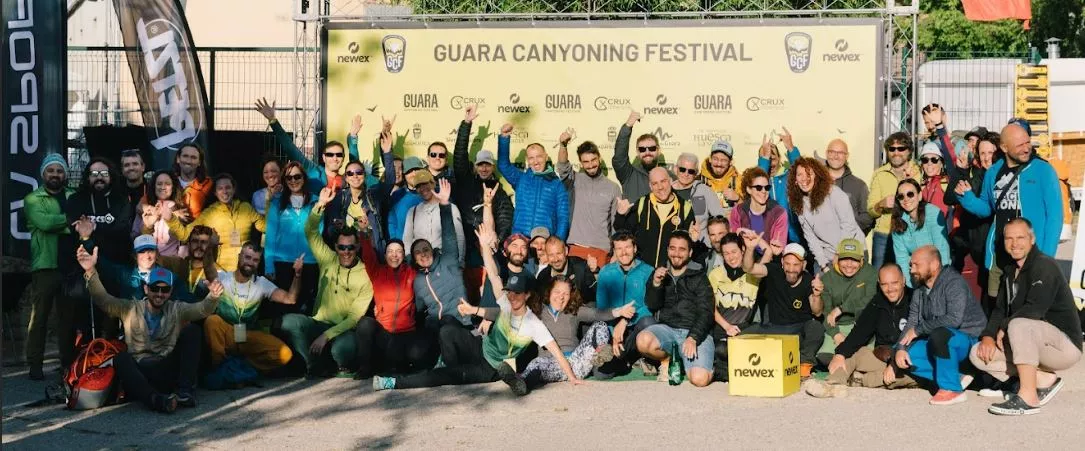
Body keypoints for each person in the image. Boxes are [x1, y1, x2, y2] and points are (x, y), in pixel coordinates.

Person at [373, 224, 583, 395]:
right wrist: (484, 247)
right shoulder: (506, 303)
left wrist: (572, 377)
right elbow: (492, 274)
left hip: (490, 368)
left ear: (527, 295)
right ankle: (447, 363)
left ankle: (392, 383)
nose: (513, 296)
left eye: (518, 293)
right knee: (448, 329)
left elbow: (555, 350)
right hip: (479, 347)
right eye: (510, 292)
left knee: (443, 377)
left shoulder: (534, 325)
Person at [77, 247, 222, 413]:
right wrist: (90, 271)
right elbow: (103, 300)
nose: (159, 294)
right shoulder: (130, 307)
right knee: (121, 358)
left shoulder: (177, 308)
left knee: (192, 332)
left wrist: (213, 297)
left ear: (171, 292)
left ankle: (185, 391)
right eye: (155, 288)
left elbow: (202, 309)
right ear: (146, 289)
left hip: (166, 367)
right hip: (141, 371)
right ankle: (154, 400)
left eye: (165, 290)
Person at [969, 219, 1083, 415]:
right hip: (1031, 343)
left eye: (1021, 237)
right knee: (978, 354)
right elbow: (999, 310)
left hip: (1063, 346)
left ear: (1032, 239)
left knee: (1019, 324)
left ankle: (1028, 397)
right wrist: (988, 335)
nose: (1015, 243)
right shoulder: (1009, 272)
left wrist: (1004, 327)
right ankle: (1045, 380)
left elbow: (1035, 309)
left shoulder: (1045, 266)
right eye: (1009, 238)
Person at [956, 122, 1063, 302]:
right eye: (1019, 145)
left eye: (1027, 142)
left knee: (1026, 307)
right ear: (1004, 147)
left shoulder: (1043, 170)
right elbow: (986, 208)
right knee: (996, 305)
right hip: (999, 254)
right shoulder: (993, 173)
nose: (1026, 148)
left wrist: (1046, 258)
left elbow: (1055, 217)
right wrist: (966, 198)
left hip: (1031, 255)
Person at [280, 186, 374, 378]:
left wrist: (327, 336)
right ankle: (312, 364)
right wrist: (320, 205)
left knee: (342, 350)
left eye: (350, 247)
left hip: (343, 329)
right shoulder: (328, 259)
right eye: (342, 247)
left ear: (357, 247)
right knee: (289, 322)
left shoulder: (365, 274)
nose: (346, 252)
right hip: (318, 322)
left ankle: (336, 363)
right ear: (336, 247)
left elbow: (354, 318)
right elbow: (310, 231)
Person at [804, 263, 916, 398]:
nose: (890, 289)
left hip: (908, 360)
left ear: (903, 280)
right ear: (879, 284)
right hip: (883, 356)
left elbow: (919, 340)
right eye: (884, 284)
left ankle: (861, 380)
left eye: (894, 283)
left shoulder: (915, 299)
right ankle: (833, 384)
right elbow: (860, 331)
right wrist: (840, 354)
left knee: (914, 377)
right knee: (853, 353)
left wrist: (894, 364)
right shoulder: (878, 301)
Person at [895, 246, 987, 405]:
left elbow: (954, 319)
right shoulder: (920, 290)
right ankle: (957, 377)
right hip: (940, 343)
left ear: (935, 264)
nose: (911, 270)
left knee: (941, 334)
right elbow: (912, 322)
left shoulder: (954, 282)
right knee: (903, 351)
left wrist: (918, 330)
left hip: (967, 342)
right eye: (911, 265)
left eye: (917, 265)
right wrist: (900, 349)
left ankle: (952, 390)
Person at [23, 154, 79, 380]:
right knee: (40, 318)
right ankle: (35, 364)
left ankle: (67, 363)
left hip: (71, 267)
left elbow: (80, 224)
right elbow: (44, 223)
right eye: (51, 171)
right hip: (46, 265)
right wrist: (70, 221)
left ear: (65, 174)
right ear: (43, 174)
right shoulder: (32, 199)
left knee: (68, 318)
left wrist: (68, 223)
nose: (55, 174)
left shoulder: (73, 195)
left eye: (59, 170)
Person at [522, 276, 635, 386]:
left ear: (570, 296)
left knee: (600, 325)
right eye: (557, 292)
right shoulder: (538, 312)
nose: (561, 297)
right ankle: (521, 383)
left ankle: (601, 353)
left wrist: (619, 311)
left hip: (577, 362)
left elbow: (597, 314)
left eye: (565, 294)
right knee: (535, 364)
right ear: (549, 292)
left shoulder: (574, 311)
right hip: (550, 363)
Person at [205, 243, 300, 373]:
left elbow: (290, 299)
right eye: (247, 257)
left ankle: (243, 366)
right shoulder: (223, 277)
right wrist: (211, 247)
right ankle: (220, 369)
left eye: (255, 260)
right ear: (239, 257)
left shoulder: (261, 283)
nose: (250, 262)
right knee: (212, 321)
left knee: (285, 354)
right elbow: (208, 269)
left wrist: (297, 275)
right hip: (225, 332)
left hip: (247, 335)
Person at [636, 232, 714, 387]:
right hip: (668, 330)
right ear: (667, 250)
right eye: (673, 248)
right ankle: (668, 359)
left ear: (690, 252)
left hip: (695, 334)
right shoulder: (659, 274)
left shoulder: (699, 276)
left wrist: (693, 337)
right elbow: (652, 304)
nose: (676, 254)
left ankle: (701, 364)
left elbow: (706, 311)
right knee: (643, 341)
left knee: (699, 380)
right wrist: (656, 284)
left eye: (682, 249)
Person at [453, 105, 514, 301]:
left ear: (492, 166)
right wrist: (466, 124)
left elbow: (505, 217)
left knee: (490, 284)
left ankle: (487, 317)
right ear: (476, 167)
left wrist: (497, 240)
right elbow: (460, 156)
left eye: (488, 164)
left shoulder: (499, 191)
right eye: (481, 164)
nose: (484, 168)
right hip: (467, 245)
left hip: (488, 247)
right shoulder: (466, 182)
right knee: (467, 286)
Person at [354, 234, 433, 379]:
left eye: (398, 251)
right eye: (390, 251)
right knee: (365, 323)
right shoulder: (377, 272)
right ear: (384, 255)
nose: (394, 255)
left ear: (404, 255)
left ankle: (397, 364)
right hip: (385, 334)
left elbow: (427, 268)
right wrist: (365, 232)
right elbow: (368, 253)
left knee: (417, 356)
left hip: (407, 333)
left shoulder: (412, 273)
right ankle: (365, 367)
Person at [743, 243, 825, 377]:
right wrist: (750, 248)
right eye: (788, 264)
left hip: (798, 331)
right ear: (782, 262)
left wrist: (816, 295)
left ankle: (803, 367)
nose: (791, 269)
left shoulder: (809, 280)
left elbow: (817, 312)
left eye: (796, 264)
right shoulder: (774, 270)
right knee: (738, 340)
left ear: (803, 265)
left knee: (816, 328)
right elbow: (749, 268)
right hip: (773, 329)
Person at [945, 132, 1001, 311]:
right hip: (979, 247)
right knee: (984, 295)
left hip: (997, 248)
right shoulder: (978, 177)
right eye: (982, 153)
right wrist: (960, 171)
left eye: (990, 152)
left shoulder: (1005, 177)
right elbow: (950, 198)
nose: (986, 158)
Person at [166, 174, 266, 272]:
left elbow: (265, 227)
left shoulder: (246, 208)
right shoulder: (210, 213)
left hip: (245, 268)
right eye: (220, 189)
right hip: (222, 272)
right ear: (215, 193)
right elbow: (184, 235)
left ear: (233, 189)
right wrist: (170, 219)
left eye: (228, 187)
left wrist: (271, 200)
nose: (225, 191)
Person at [256, 97, 360, 192]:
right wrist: (273, 121)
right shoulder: (313, 171)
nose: (335, 158)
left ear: (343, 159)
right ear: (324, 157)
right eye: (330, 154)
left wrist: (353, 137)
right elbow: (290, 149)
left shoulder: (346, 180)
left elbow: (355, 166)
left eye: (339, 155)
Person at [593, 232, 657, 378]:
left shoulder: (647, 271)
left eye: (627, 247)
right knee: (601, 375)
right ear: (614, 251)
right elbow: (601, 309)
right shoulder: (605, 272)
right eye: (619, 248)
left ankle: (642, 356)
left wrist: (625, 320)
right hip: (613, 330)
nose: (624, 252)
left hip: (637, 327)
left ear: (634, 248)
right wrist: (613, 332)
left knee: (649, 322)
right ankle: (626, 360)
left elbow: (649, 305)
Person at [411, 179, 471, 333]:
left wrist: (444, 205)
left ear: (432, 249)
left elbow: (449, 235)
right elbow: (417, 308)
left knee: (445, 325)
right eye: (418, 253)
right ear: (414, 259)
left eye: (425, 249)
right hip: (435, 326)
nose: (423, 254)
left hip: (460, 322)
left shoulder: (448, 260)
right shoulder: (418, 280)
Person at [707, 232, 767, 382]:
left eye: (734, 251)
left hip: (745, 328)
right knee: (722, 350)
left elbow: (769, 252)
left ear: (742, 250)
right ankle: (723, 370)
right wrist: (727, 326)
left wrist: (752, 244)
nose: (731, 257)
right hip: (722, 328)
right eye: (726, 253)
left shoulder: (753, 272)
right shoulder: (715, 274)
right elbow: (710, 306)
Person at [263, 161, 320, 316]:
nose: (293, 181)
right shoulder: (277, 202)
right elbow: (271, 236)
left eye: (297, 176)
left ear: (304, 178)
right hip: (283, 262)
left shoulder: (316, 201)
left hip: (309, 262)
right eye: (289, 178)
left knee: (305, 310)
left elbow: (318, 234)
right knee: (283, 310)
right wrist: (269, 265)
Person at [788, 157, 864, 271]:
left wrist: (839, 254)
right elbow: (811, 238)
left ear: (817, 175)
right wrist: (823, 265)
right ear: (795, 180)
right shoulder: (799, 204)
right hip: (827, 258)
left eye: (809, 173)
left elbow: (848, 226)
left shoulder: (834, 193)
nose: (805, 178)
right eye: (800, 174)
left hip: (852, 251)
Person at [497, 123, 570, 240]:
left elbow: (563, 217)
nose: (535, 161)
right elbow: (503, 165)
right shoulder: (520, 178)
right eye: (531, 158)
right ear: (527, 160)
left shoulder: (557, 184)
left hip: (544, 241)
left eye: (539, 156)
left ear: (546, 157)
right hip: (520, 240)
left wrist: (557, 242)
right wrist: (504, 138)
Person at [556, 132, 620, 266]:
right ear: (580, 163)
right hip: (576, 248)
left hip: (601, 250)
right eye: (586, 161)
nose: (590, 165)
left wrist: (616, 252)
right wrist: (563, 145)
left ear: (599, 158)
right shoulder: (575, 180)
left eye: (593, 160)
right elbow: (562, 166)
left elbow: (616, 223)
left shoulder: (613, 187)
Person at [615, 167, 694, 267]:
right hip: (643, 270)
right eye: (655, 183)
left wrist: (694, 240)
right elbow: (623, 234)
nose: (660, 187)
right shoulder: (642, 203)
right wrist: (620, 215)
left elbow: (688, 245)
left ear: (670, 181)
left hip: (670, 272)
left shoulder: (685, 207)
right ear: (650, 186)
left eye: (663, 181)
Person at [816, 238, 878, 363]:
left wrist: (841, 308)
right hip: (839, 325)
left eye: (854, 260)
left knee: (868, 357)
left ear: (861, 259)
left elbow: (871, 299)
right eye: (844, 259)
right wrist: (836, 334)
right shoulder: (827, 279)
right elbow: (826, 311)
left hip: (862, 324)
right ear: (837, 258)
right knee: (824, 357)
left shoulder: (870, 272)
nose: (849, 264)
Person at [325, 151, 393, 257]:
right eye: (350, 173)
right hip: (347, 255)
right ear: (346, 178)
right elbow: (330, 230)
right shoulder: (340, 198)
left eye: (359, 172)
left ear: (364, 175)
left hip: (372, 253)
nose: (355, 176)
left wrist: (387, 153)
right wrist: (338, 227)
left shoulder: (373, 195)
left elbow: (390, 182)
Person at [68, 157, 133, 265]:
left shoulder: (121, 199)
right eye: (94, 174)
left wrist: (94, 227)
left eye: (104, 173)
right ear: (88, 177)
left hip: (118, 263)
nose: (99, 177)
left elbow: (122, 230)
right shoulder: (75, 200)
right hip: (83, 264)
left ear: (111, 176)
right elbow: (75, 231)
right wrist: (108, 229)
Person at [868, 132, 920, 269]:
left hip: (912, 233)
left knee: (911, 275)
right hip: (884, 235)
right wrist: (881, 204)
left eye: (901, 148)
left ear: (909, 151)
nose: (896, 152)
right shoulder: (879, 174)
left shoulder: (919, 172)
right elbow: (871, 210)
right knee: (880, 277)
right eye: (892, 149)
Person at [403, 159, 465, 267]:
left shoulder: (450, 207)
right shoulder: (412, 212)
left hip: (445, 264)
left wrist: (459, 262)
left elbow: (459, 236)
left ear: (432, 183)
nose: (422, 188)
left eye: (425, 183)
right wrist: (410, 261)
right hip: (421, 265)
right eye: (418, 186)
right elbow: (407, 239)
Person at [892, 179, 952, 287]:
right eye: (901, 196)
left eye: (910, 194)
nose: (906, 199)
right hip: (916, 276)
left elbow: (942, 251)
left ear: (919, 196)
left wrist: (939, 283)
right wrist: (914, 286)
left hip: (938, 275)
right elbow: (902, 259)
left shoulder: (933, 213)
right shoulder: (897, 222)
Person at [729, 167, 787, 258]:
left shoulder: (779, 213)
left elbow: (777, 249)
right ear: (749, 189)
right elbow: (734, 243)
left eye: (767, 187)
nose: (764, 191)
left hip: (770, 259)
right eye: (758, 188)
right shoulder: (738, 211)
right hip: (744, 257)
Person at [757, 129, 801, 243]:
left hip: (792, 236)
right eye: (767, 159)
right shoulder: (757, 181)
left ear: (780, 158)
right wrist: (764, 161)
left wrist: (791, 148)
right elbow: (759, 182)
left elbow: (800, 169)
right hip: (767, 238)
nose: (770, 163)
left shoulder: (789, 177)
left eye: (773, 158)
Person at [613, 111, 667, 201]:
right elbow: (619, 157)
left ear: (659, 150)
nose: (647, 152)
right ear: (638, 153)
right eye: (642, 149)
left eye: (652, 148)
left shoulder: (669, 176)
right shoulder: (628, 174)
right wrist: (627, 126)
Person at [133, 171, 189, 257]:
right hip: (149, 261)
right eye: (159, 184)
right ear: (154, 186)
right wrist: (148, 226)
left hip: (172, 263)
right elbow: (135, 237)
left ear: (173, 187)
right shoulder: (145, 209)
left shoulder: (181, 209)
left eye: (167, 184)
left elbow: (185, 241)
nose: (163, 187)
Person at [824, 139, 873, 235]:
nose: (836, 156)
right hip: (821, 244)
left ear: (847, 156)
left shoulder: (859, 185)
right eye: (832, 152)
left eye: (840, 153)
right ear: (826, 154)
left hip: (849, 244)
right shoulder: (815, 182)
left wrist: (848, 230)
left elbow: (867, 216)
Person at [672, 152, 727, 233]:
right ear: (675, 169)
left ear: (696, 172)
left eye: (691, 171)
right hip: (674, 243)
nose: (686, 174)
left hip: (700, 242)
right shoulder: (667, 191)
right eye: (682, 170)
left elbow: (720, 218)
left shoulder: (705, 191)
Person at [536, 236, 598, 306]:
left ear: (566, 251)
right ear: (546, 256)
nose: (556, 259)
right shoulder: (542, 277)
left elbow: (597, 296)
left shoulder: (581, 268)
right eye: (551, 255)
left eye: (558, 253)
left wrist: (595, 272)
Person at [699, 139, 741, 219]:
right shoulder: (699, 180)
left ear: (730, 162)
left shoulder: (739, 181)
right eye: (715, 159)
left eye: (724, 160)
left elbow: (750, 211)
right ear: (710, 159)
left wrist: (738, 199)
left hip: (730, 229)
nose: (719, 164)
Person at [386, 156, 426, 241]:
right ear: (404, 175)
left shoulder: (433, 193)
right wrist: (395, 241)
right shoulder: (397, 195)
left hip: (427, 246)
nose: (414, 174)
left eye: (417, 170)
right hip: (403, 245)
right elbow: (392, 222)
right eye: (409, 171)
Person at [172, 143, 214, 220]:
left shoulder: (208, 184)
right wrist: (172, 215)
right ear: (178, 159)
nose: (188, 161)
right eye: (185, 156)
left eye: (193, 157)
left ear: (199, 162)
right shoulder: (168, 182)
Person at [918, 142, 950, 216]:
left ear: (942, 163)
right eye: (925, 160)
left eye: (934, 160)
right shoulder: (920, 185)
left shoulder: (948, 182)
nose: (929, 163)